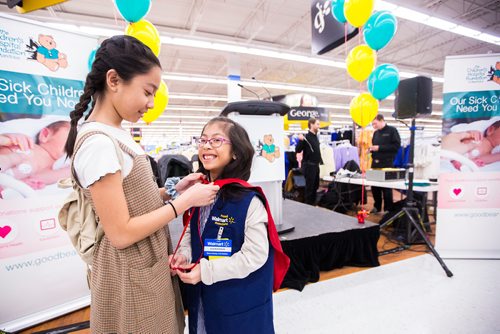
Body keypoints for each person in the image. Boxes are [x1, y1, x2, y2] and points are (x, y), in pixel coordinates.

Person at [64, 35, 219, 333]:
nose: (150, 104)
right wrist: (183, 203)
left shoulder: (117, 133)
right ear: (114, 80)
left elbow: (126, 197)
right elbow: (120, 232)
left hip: (145, 263)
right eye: (148, 92)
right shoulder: (99, 143)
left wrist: (172, 190)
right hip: (128, 271)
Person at [170, 116, 287, 334]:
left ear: (236, 153)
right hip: (204, 298)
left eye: (216, 140)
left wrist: (205, 270)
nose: (206, 145)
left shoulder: (249, 201)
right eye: (203, 139)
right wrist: (184, 254)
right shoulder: (200, 193)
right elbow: (192, 234)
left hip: (238, 302)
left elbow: (255, 255)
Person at [0, 121, 70, 189]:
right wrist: (6, 139)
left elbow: (52, 177)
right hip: (6, 161)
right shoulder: (24, 144)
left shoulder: (49, 170)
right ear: (45, 135)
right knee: (15, 158)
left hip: (9, 184)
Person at [369, 114, 401, 213]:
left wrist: (379, 148)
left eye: (375, 123)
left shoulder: (392, 131)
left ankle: (388, 209)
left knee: (386, 188)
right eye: (372, 124)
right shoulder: (375, 133)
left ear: (382, 120)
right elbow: (375, 146)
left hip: (387, 163)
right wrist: (371, 150)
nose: (374, 126)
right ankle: (377, 206)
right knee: (374, 186)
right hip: (375, 163)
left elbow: (396, 146)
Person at [295, 117, 323, 205]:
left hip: (316, 166)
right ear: (311, 124)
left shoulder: (315, 137)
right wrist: (300, 140)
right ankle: (308, 207)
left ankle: (313, 205)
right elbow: (298, 150)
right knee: (310, 188)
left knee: (315, 186)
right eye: (317, 124)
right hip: (309, 166)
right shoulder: (306, 137)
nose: (319, 126)